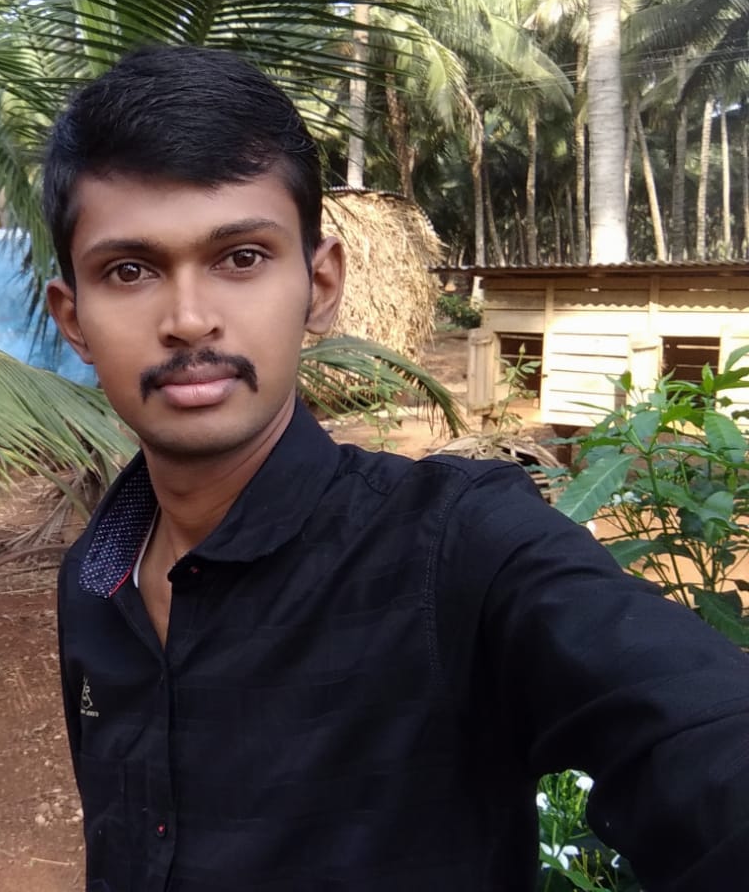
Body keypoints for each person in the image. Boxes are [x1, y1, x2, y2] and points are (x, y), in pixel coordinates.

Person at [41, 44, 749, 892]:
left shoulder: (457, 550)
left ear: (321, 283)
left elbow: (701, 736)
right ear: (74, 320)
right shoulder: (95, 578)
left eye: (242, 257)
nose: (190, 320)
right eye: (130, 270)